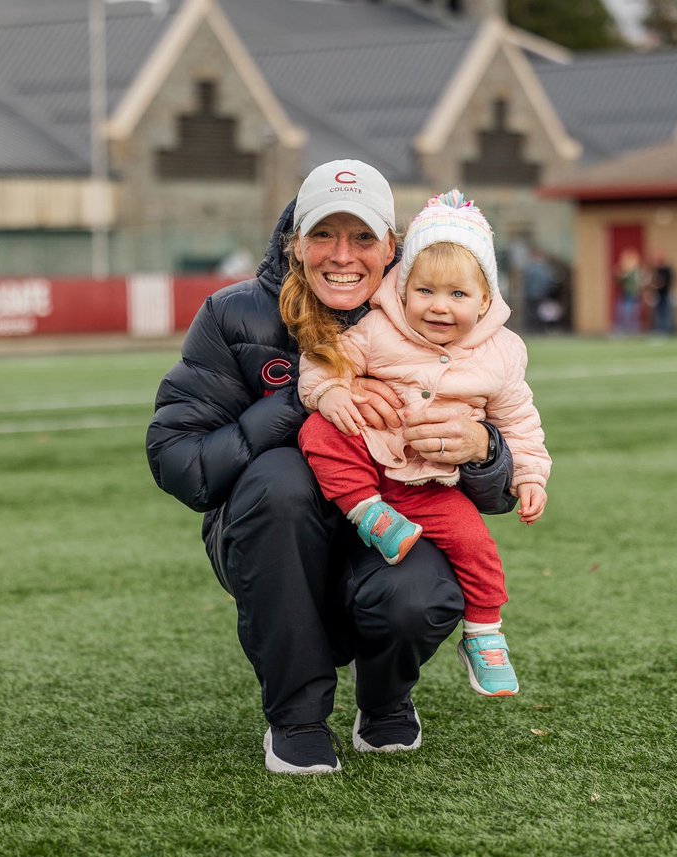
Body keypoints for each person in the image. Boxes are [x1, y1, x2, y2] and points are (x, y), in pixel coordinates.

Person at [146, 160, 517, 776]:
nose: (342, 255)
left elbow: (499, 487)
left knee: (419, 595)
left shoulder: (441, 306)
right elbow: (180, 462)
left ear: (390, 247)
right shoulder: (233, 315)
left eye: (363, 237)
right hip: (273, 533)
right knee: (282, 479)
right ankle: (296, 719)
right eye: (324, 234)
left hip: (397, 517)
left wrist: (484, 449)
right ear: (295, 240)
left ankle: (385, 699)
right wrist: (308, 399)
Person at [293, 190, 552, 699]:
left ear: (484, 300)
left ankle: (483, 632)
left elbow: (520, 422)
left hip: (431, 485)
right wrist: (330, 393)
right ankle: (368, 514)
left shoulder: (500, 356)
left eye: (458, 296)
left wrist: (528, 475)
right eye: (426, 291)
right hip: (371, 468)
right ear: (403, 287)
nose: (439, 307)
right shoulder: (376, 330)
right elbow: (321, 362)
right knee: (318, 433)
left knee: (477, 547)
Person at [613, 248, 644, 336]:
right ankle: (622, 330)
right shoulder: (623, 271)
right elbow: (618, 281)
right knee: (622, 312)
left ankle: (633, 330)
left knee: (634, 313)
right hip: (625, 295)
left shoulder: (637, 272)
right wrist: (620, 275)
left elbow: (639, 283)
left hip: (634, 296)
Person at [649, 253, 676, 335]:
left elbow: (666, 282)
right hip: (658, 296)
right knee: (657, 313)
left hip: (665, 294)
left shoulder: (666, 270)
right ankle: (659, 329)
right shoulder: (655, 270)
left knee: (666, 313)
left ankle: (667, 330)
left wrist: (658, 285)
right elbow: (653, 282)